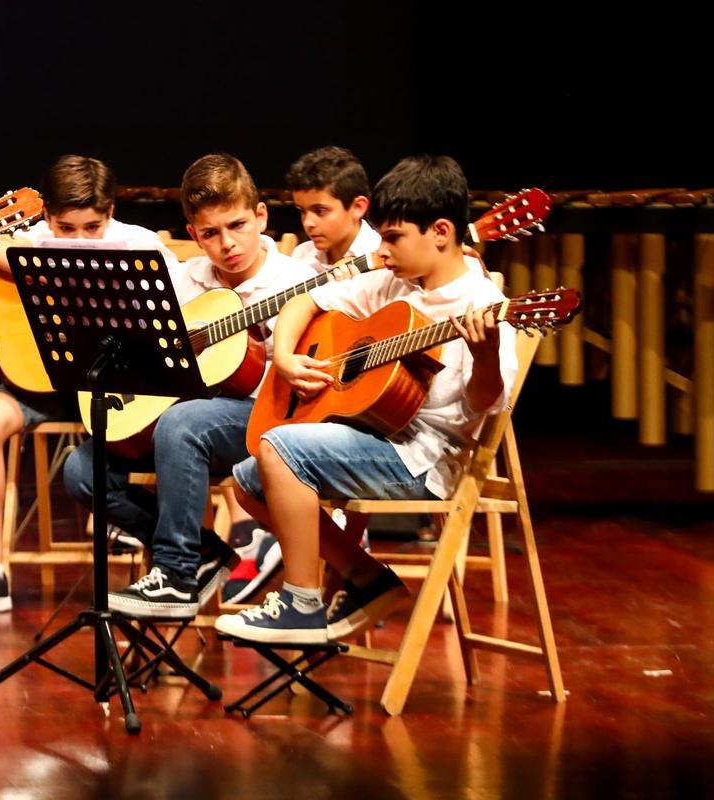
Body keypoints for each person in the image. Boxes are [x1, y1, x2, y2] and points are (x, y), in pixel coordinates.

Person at [215, 155, 519, 644]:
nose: (383, 250)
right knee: (249, 477)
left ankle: (300, 601)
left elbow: (482, 405)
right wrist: (289, 358)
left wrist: (485, 357)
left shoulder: (479, 304)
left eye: (394, 238)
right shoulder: (394, 282)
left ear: (440, 232)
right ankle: (364, 576)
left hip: (425, 459)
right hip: (374, 437)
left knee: (277, 448)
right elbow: (306, 302)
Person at [63, 153, 316, 619]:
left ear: (261, 216)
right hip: (183, 420)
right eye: (210, 233)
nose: (228, 244)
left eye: (238, 225)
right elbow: (139, 351)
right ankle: (203, 551)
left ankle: (176, 574)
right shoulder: (181, 282)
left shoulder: (298, 282)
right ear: (193, 234)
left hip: (265, 419)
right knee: (82, 468)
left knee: (184, 422)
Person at [0, 154, 176, 616]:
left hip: (120, 393)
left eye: (91, 228)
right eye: (65, 228)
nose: (77, 241)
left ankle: (168, 556)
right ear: (47, 216)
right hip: (45, 388)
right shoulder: (31, 239)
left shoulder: (141, 244)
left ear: (110, 213)